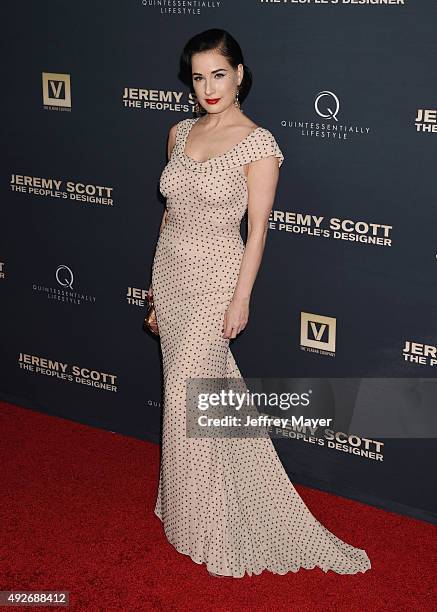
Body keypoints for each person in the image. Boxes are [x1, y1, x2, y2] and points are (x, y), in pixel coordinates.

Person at [148, 28, 371, 578]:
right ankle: (183, 508)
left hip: (216, 277)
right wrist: (154, 288)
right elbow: (169, 214)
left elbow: (258, 233)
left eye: (218, 74)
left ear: (240, 74)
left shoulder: (258, 144)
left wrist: (240, 299)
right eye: (199, 77)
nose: (209, 87)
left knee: (188, 395)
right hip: (172, 270)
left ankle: (209, 523)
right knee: (193, 398)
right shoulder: (178, 133)